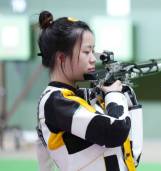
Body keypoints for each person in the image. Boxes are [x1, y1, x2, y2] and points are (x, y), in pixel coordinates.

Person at [36, 11, 143, 171]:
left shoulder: (75, 97)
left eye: (93, 51)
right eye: (87, 52)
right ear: (61, 58)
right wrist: (114, 95)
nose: (93, 58)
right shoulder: (55, 102)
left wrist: (121, 92)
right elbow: (115, 132)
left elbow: (127, 152)